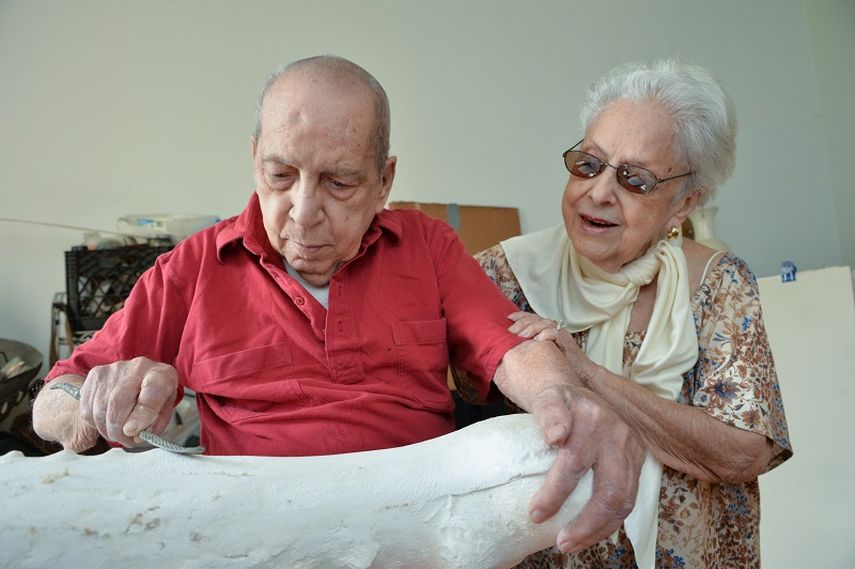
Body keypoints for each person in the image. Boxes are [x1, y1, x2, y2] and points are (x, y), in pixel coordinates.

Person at [32, 55, 643, 554]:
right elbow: (50, 399)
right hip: (251, 534)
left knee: (547, 452)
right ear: (254, 161)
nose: (303, 212)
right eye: (279, 175)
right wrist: (100, 401)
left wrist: (565, 401)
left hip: (414, 524)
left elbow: (506, 348)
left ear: (385, 181)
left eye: (340, 183)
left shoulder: (426, 246)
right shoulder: (195, 265)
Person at [465, 60, 792, 568]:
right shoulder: (500, 276)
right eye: (590, 165)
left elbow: (743, 452)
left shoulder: (717, 284)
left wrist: (585, 373)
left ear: (684, 204)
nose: (598, 193)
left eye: (635, 180)